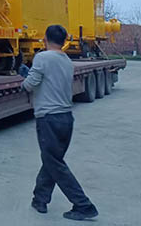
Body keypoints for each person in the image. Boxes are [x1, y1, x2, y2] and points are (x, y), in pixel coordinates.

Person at [20, 25, 99, 221]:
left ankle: (83, 205)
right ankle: (40, 199)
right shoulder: (67, 61)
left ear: (45, 39)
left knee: (53, 162)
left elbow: (30, 85)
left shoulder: (42, 58)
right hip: (66, 118)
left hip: (49, 118)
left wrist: (25, 77)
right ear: (63, 42)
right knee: (52, 160)